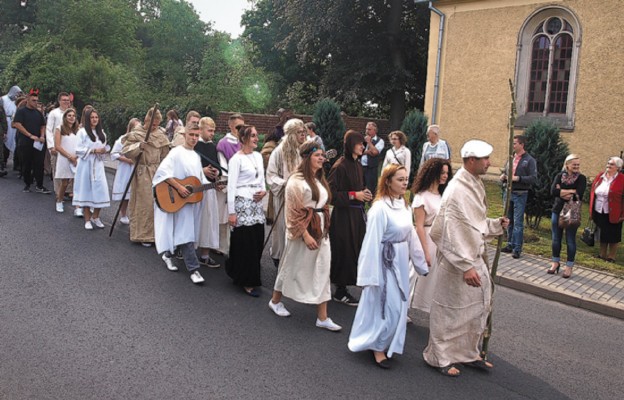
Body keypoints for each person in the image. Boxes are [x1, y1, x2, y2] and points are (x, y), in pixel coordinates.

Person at [423, 139, 509, 377]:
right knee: (450, 310)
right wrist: (465, 265)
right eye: (485, 159)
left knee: (474, 309)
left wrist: (494, 225)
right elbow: (451, 230)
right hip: (458, 262)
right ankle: (439, 356)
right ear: (471, 161)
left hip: (473, 257)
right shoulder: (457, 188)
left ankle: (468, 353)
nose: (489, 163)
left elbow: (473, 223)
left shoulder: (474, 183)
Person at [348, 164, 429, 368]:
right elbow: (371, 242)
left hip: (400, 260)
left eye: (406, 179)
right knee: (387, 304)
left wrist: (420, 262)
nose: (405, 183)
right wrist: (369, 275)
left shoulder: (404, 205)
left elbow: (410, 235)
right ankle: (377, 346)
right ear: (388, 181)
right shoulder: (379, 209)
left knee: (399, 304)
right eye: (400, 179)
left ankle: (384, 341)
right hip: (383, 262)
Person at [268, 142, 342, 331]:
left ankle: (322, 317)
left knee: (323, 269)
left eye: (323, 155)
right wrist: (306, 235)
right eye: (318, 155)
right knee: (291, 266)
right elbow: (292, 213)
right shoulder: (296, 181)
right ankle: (275, 301)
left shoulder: (318, 179)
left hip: (321, 230)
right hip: (304, 231)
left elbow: (324, 204)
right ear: (307, 157)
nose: (322, 159)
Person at [153, 122, 206, 284]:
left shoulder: (196, 156)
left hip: (188, 203)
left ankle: (168, 255)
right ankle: (194, 269)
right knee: (185, 234)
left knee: (183, 232)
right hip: (176, 198)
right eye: (192, 135)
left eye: (197, 136)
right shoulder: (176, 153)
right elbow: (162, 173)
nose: (194, 139)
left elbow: (198, 180)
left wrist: (215, 184)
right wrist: (179, 187)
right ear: (185, 135)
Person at [328, 130, 372, 306]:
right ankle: (340, 290)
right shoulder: (340, 166)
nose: (362, 146)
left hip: (356, 216)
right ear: (350, 144)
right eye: (359, 143)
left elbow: (359, 187)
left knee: (355, 249)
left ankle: (349, 283)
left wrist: (366, 193)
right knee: (344, 251)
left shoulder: (357, 165)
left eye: (363, 144)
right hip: (344, 217)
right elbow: (331, 194)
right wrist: (355, 195)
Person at [225, 125, 267, 297]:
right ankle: (246, 280)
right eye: (253, 136)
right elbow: (231, 186)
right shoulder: (236, 159)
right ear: (244, 139)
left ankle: (251, 275)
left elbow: (262, 179)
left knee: (257, 239)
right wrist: (231, 212)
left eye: (257, 135)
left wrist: (264, 191)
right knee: (246, 243)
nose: (257, 139)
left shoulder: (258, 156)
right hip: (242, 203)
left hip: (257, 204)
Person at [122, 107, 170, 246]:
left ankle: (156, 234)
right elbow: (126, 151)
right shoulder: (137, 133)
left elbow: (165, 155)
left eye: (156, 124)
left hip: (157, 171)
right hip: (142, 172)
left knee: (157, 203)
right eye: (152, 124)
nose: (154, 127)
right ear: (146, 120)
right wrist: (138, 146)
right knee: (144, 203)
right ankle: (142, 235)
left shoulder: (161, 135)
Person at [410, 158, 452, 313]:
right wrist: (425, 251)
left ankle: (426, 306)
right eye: (442, 173)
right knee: (416, 275)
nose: (445, 176)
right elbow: (419, 226)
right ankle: (404, 308)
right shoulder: (422, 196)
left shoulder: (442, 195)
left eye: (447, 173)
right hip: (426, 238)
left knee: (432, 279)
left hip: (438, 240)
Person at [266, 118, 306, 266]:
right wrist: (286, 183)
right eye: (299, 132)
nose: (303, 135)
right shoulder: (278, 151)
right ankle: (280, 258)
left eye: (304, 132)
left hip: (299, 196)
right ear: (291, 134)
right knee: (283, 228)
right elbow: (270, 176)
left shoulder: (301, 150)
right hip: (283, 197)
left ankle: (294, 261)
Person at [548, 155, 587, 278]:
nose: (576, 167)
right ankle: (555, 263)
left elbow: (578, 193)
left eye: (578, 164)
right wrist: (570, 191)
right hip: (557, 210)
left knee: (570, 240)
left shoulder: (581, 178)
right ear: (567, 165)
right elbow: (553, 191)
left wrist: (562, 191)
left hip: (572, 212)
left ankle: (569, 266)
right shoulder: (559, 176)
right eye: (574, 164)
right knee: (555, 238)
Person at [72, 108, 110, 230]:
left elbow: (103, 152)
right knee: (86, 190)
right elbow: (78, 149)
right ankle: (87, 219)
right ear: (88, 119)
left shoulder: (102, 134)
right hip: (85, 165)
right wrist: (93, 150)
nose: (94, 120)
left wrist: (103, 152)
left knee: (100, 190)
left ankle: (96, 216)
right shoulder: (82, 132)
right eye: (92, 117)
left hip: (98, 165)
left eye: (96, 117)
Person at [500, 135, 537, 258]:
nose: (513, 145)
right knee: (508, 220)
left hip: (520, 194)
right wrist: (503, 177)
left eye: (515, 143)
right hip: (508, 192)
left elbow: (533, 178)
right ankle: (509, 244)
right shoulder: (511, 158)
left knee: (518, 222)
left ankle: (517, 248)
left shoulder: (529, 160)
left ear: (522, 145)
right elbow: (506, 172)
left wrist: (518, 178)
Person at [215, 113, 244, 256]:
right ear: (231, 126)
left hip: (242, 185)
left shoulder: (243, 142)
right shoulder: (223, 143)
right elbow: (223, 166)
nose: (241, 129)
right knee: (224, 217)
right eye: (238, 126)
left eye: (243, 126)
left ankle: (235, 246)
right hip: (228, 184)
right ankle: (221, 247)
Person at [194, 116, 221, 267]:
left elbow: (216, 164)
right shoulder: (194, 145)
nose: (212, 134)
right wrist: (202, 170)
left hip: (209, 190)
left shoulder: (212, 146)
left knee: (208, 222)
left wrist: (216, 174)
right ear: (201, 129)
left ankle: (205, 254)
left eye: (213, 131)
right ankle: (188, 251)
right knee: (195, 220)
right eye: (209, 130)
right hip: (196, 190)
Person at [12, 89, 50, 194]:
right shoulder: (21, 111)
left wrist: (42, 136)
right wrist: (30, 135)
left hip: (38, 143)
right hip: (25, 142)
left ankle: (39, 185)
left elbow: (43, 125)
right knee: (26, 164)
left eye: (37, 100)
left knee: (39, 164)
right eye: (33, 100)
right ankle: (27, 184)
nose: (35, 102)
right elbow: (17, 124)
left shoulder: (38, 113)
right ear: (28, 100)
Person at [589, 157, 624, 263]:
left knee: (613, 234)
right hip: (599, 210)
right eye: (608, 163)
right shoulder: (600, 176)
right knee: (602, 233)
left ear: (618, 167)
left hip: (615, 212)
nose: (608, 165)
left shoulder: (622, 179)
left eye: (611, 164)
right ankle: (602, 254)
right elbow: (593, 190)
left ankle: (611, 256)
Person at [111, 118, 140, 225]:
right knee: (125, 192)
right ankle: (123, 214)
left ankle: (134, 215)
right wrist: (127, 160)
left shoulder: (140, 140)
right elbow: (114, 154)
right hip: (126, 169)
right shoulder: (122, 139)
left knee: (136, 193)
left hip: (137, 169)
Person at [53, 108, 80, 214]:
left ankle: (78, 206)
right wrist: (69, 156)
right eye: (69, 115)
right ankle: (59, 201)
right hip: (65, 158)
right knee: (64, 182)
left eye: (73, 115)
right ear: (65, 117)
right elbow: (58, 146)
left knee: (77, 183)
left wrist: (76, 157)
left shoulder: (78, 130)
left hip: (76, 158)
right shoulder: (59, 128)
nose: (72, 117)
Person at [46, 92, 72, 196]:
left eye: (67, 100)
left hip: (69, 147)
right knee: (57, 170)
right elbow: (48, 129)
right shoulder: (54, 113)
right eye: (64, 100)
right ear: (59, 101)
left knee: (69, 169)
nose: (66, 102)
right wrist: (51, 146)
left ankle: (68, 190)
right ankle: (58, 192)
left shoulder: (72, 113)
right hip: (56, 147)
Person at [1, 85, 22, 172]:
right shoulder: (3, 99)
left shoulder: (17, 101)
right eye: (17, 93)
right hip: (5, 121)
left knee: (15, 141)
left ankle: (15, 163)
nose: (17, 95)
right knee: (4, 141)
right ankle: (4, 161)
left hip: (14, 122)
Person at [361, 122, 384, 197]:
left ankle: (371, 202)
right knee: (360, 185)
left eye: (369, 129)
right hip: (361, 166)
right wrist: (368, 151)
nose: (367, 131)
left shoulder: (380, 141)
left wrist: (369, 142)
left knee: (372, 186)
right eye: (366, 129)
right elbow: (359, 152)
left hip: (371, 167)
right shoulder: (362, 139)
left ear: (375, 131)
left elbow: (375, 153)